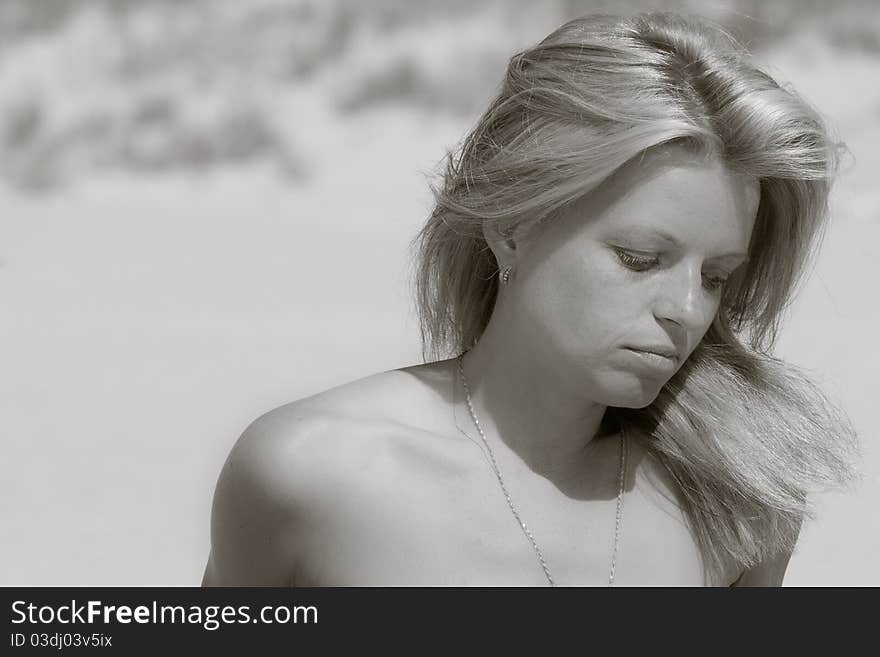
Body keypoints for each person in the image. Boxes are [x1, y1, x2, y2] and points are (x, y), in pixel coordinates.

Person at [201, 11, 859, 587]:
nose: (686, 309)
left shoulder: (738, 496)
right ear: (513, 228)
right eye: (639, 258)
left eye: (716, 275)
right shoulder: (309, 473)